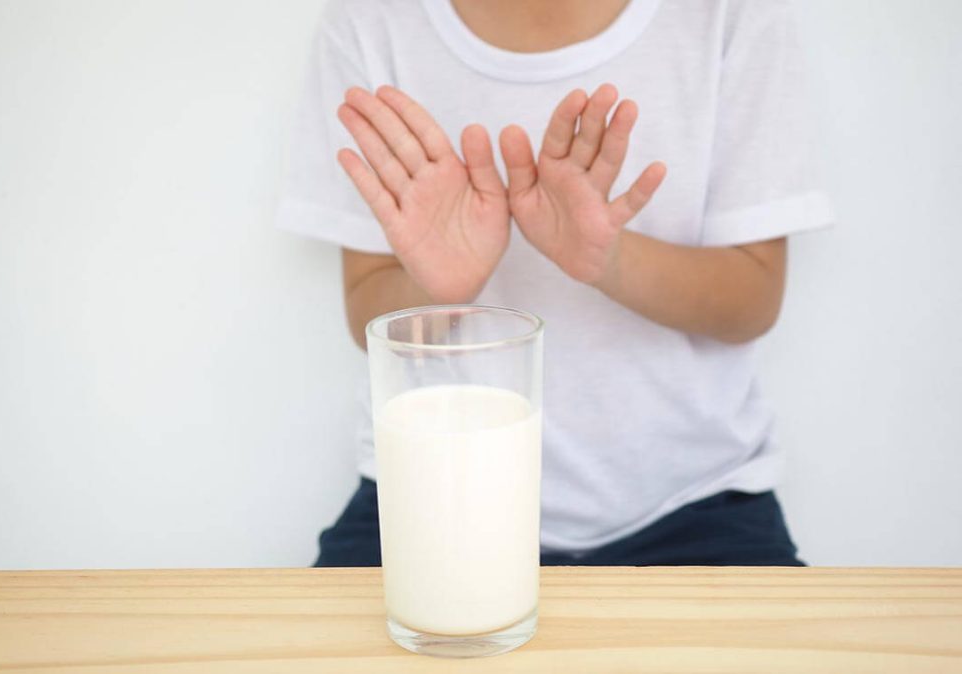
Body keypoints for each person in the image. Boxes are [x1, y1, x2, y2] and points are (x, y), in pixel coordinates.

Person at [277, 0, 833, 567]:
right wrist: (438, 288)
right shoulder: (368, 20)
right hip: (430, 492)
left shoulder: (730, 14)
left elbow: (753, 300)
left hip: (696, 505)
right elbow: (365, 311)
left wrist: (609, 260)